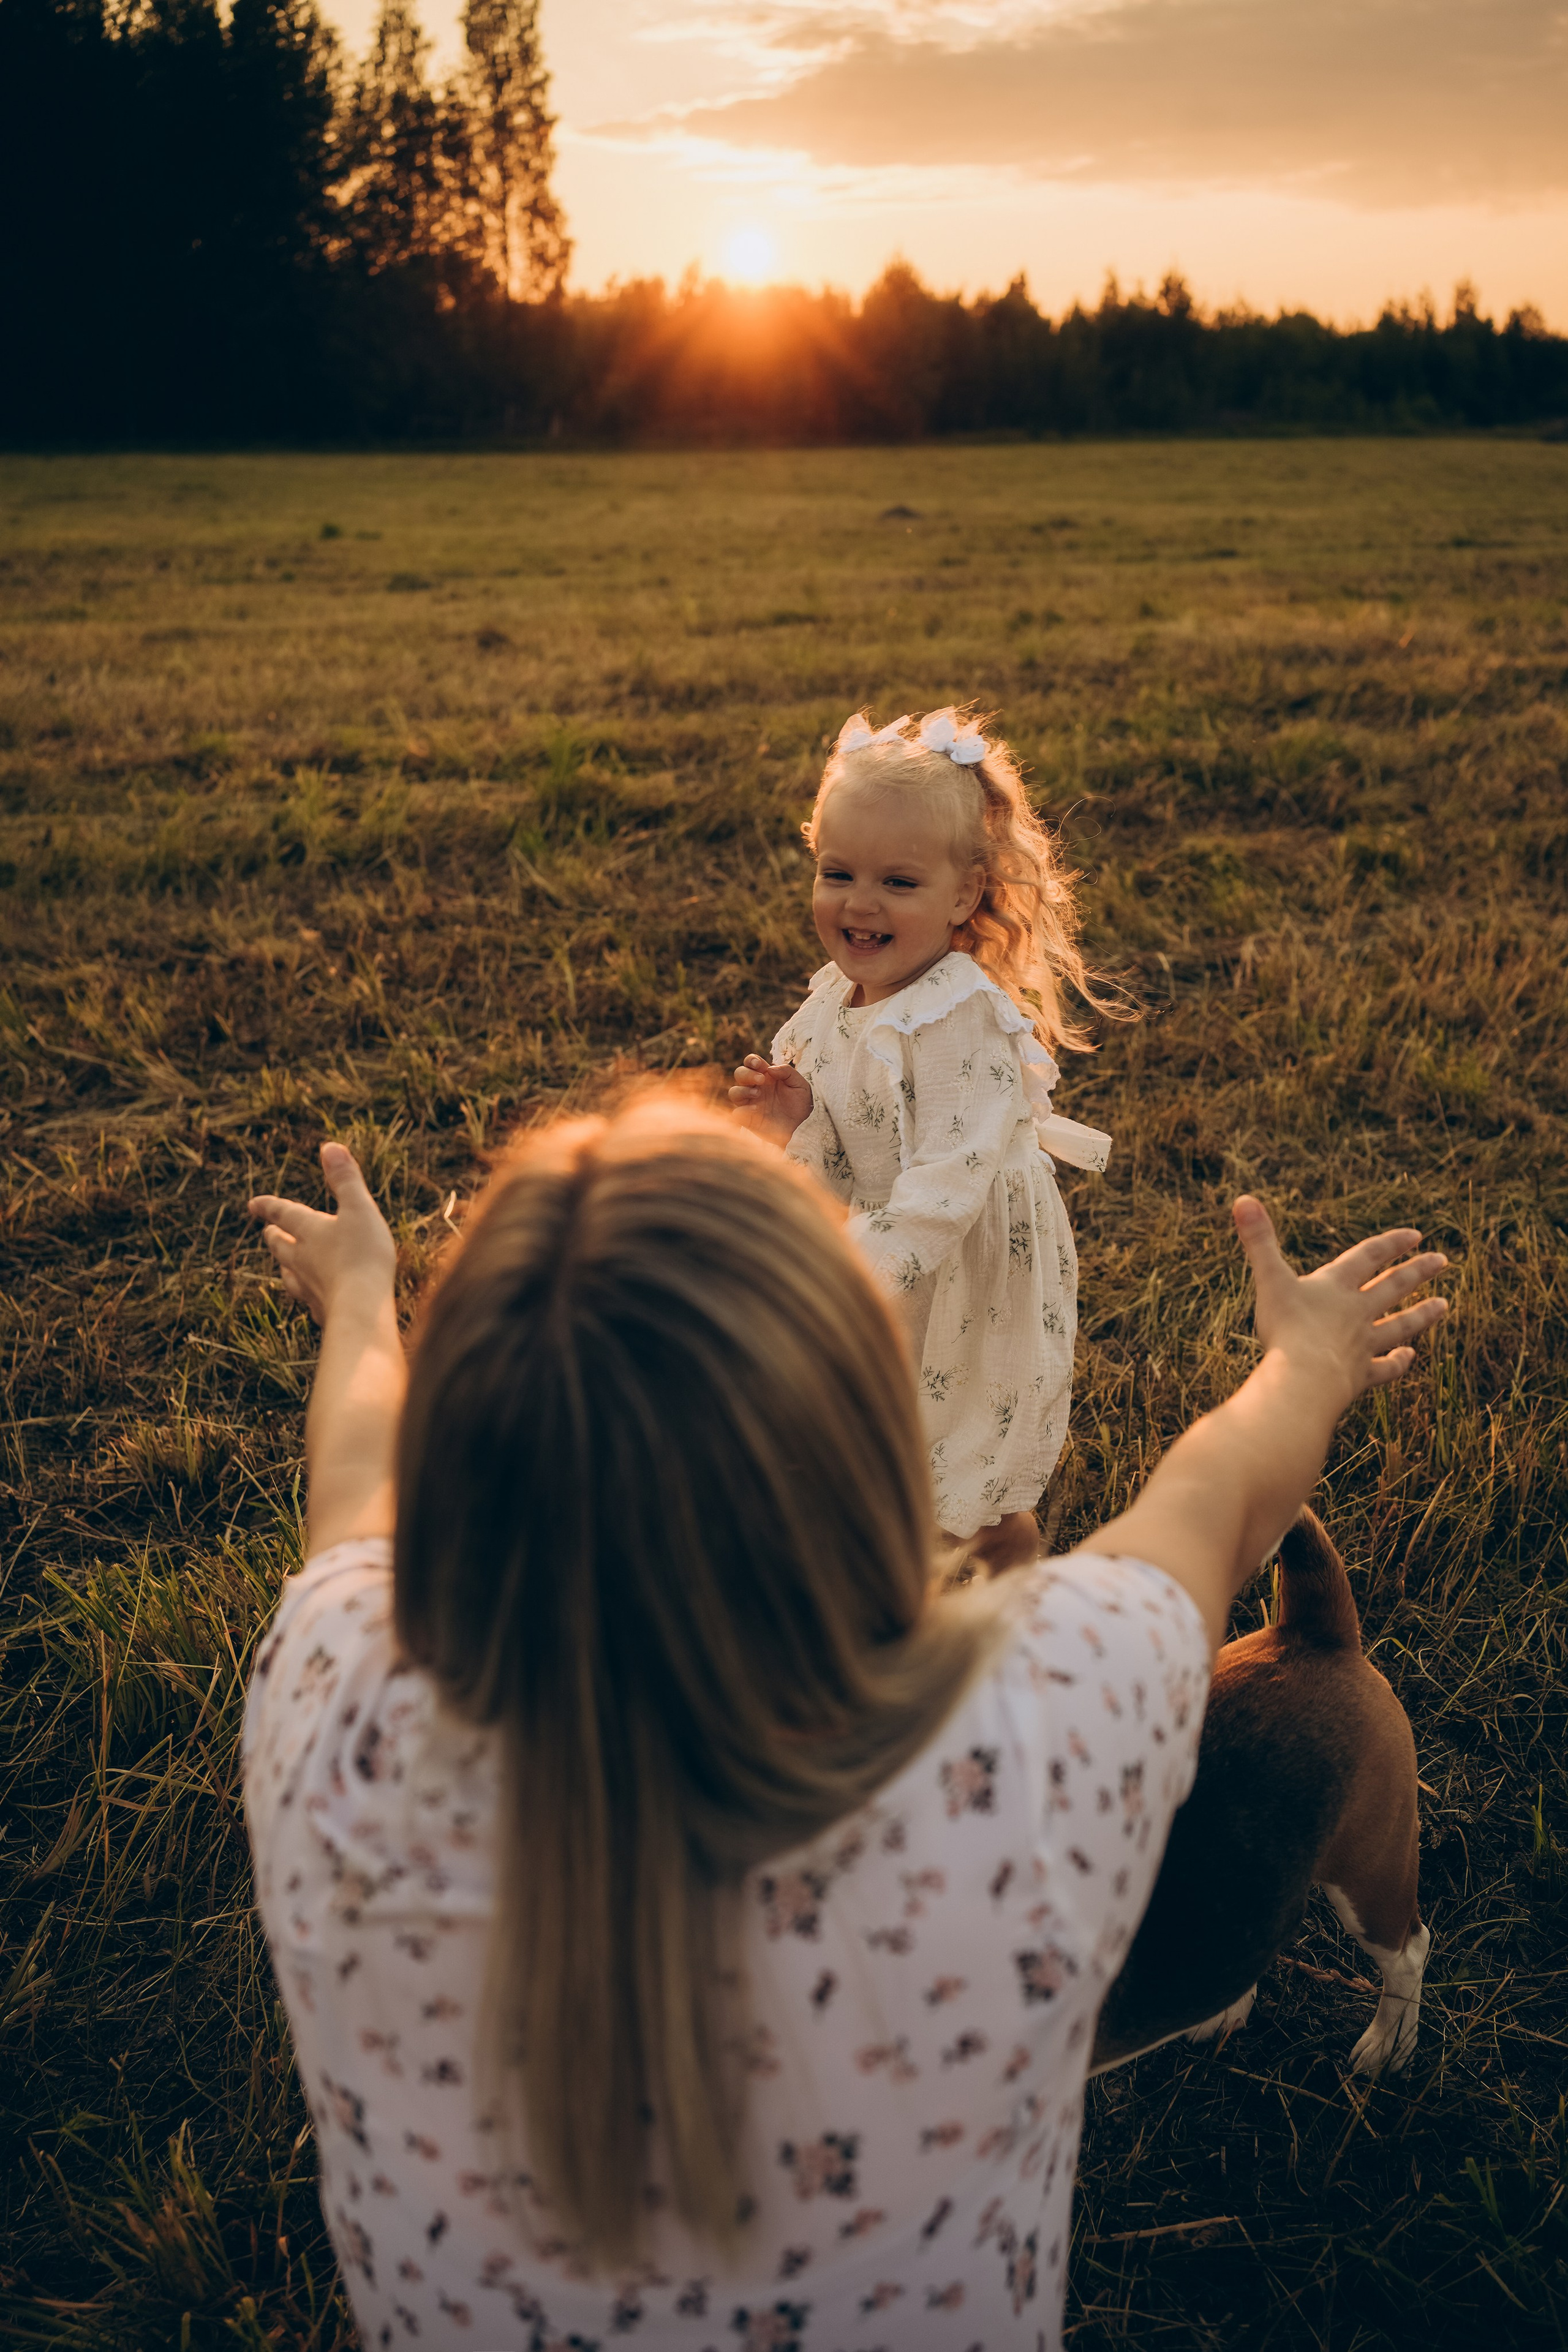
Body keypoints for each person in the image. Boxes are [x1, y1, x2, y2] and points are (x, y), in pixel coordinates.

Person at [243, 1103, 1446, 2352]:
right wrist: (1307, 1362)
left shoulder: (333, 1706)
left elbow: (353, 1477)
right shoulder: (1023, 1743)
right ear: (871, 1452)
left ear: (461, 1457)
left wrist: (367, 1297)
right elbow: (1219, 1499)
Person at [731, 709, 1114, 1573]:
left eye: (898, 884)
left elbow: (947, 1190)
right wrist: (797, 1121)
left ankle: (1010, 1596)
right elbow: (843, 1146)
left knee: (962, 1471)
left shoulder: (959, 1022)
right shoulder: (836, 996)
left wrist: (841, 1264)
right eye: (838, 873)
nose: (859, 904)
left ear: (964, 896)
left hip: (959, 1271)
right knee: (879, 1448)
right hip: (884, 1254)